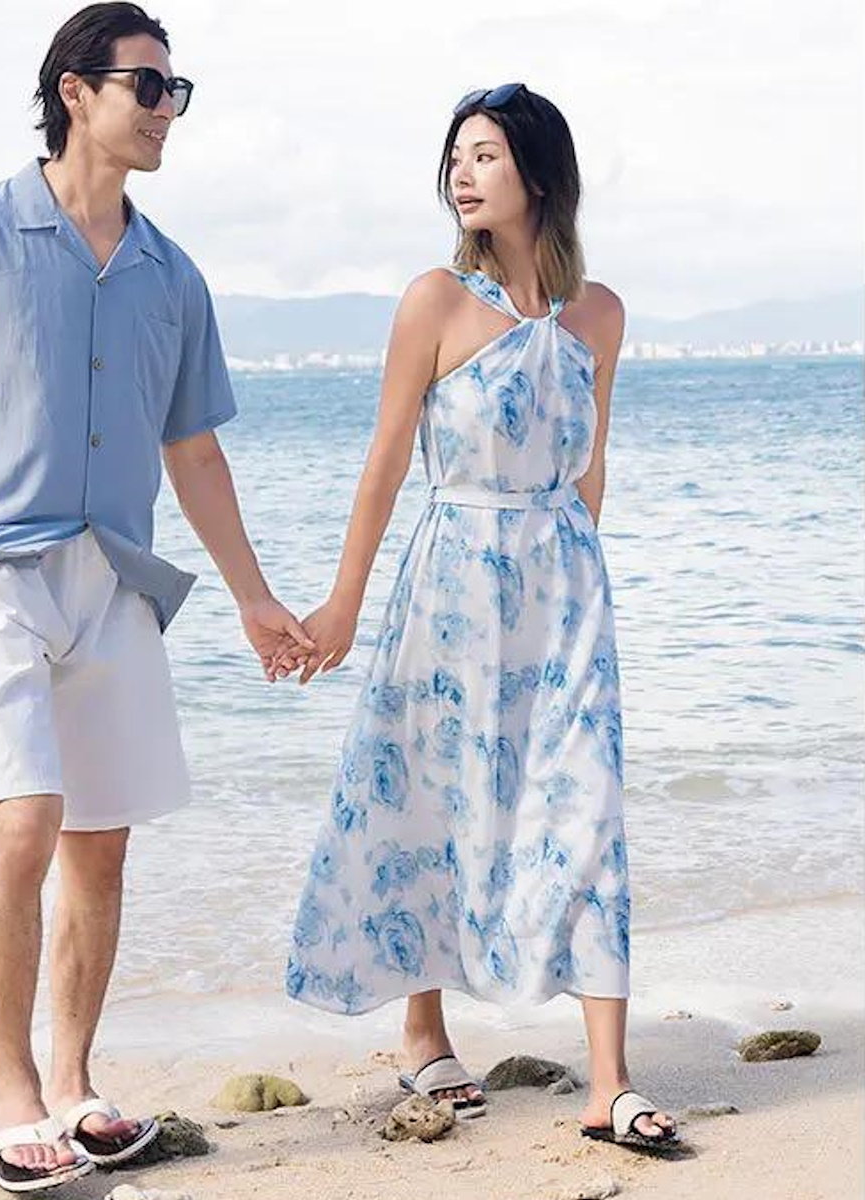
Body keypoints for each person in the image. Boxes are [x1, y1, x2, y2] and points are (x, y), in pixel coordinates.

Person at [0, 4, 312, 1191]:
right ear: (74, 92)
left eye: (175, 91)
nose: (166, 110)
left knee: (100, 844)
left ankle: (74, 1083)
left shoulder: (172, 275)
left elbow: (193, 452)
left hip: (118, 583)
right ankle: (10, 1095)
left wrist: (255, 599)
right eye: (147, 86)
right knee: (25, 822)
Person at [280, 83, 680, 1153]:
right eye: (456, 156)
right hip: (452, 582)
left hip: (566, 591)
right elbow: (383, 461)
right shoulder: (435, 303)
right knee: (435, 794)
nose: (462, 173)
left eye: (486, 154)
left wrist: (581, 579)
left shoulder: (599, 315)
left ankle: (609, 1082)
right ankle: (424, 1031)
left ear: (539, 175)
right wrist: (342, 604)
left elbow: (592, 465)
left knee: (585, 809)